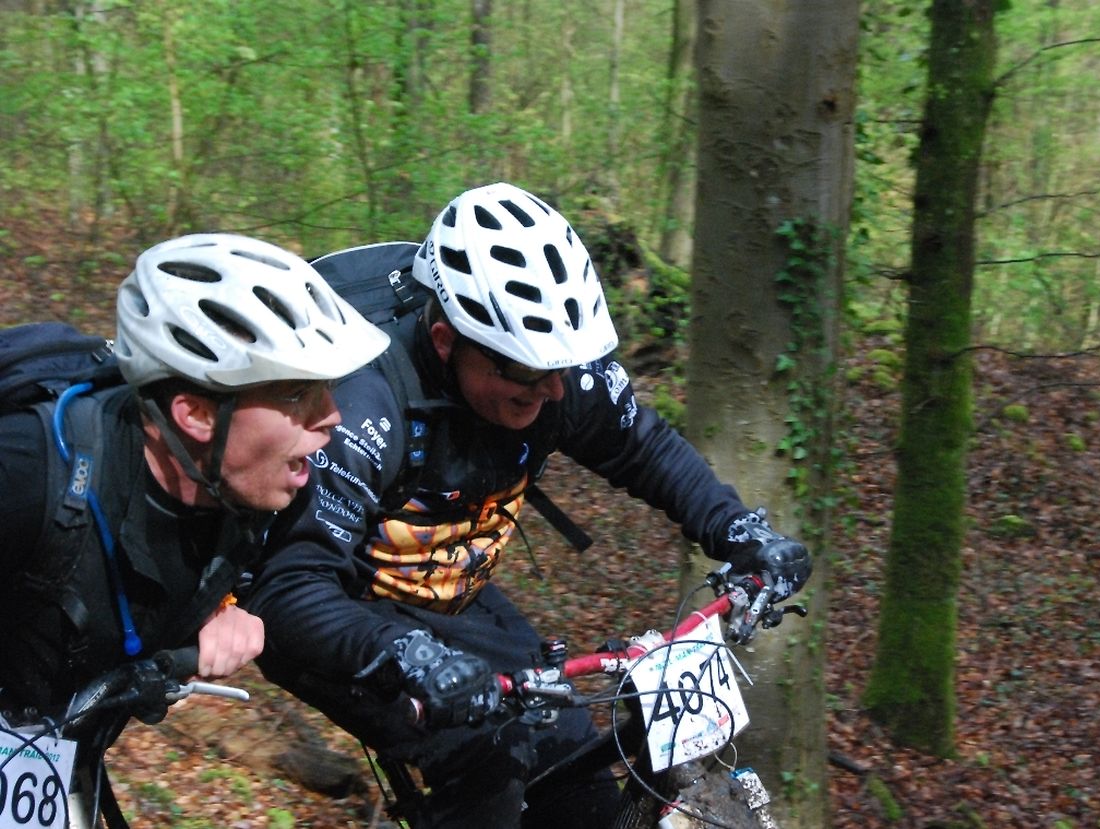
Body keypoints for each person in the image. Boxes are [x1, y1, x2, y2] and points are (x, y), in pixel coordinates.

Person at [244, 182, 812, 828]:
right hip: (333, 606)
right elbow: (288, 589)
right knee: (487, 756)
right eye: (524, 374)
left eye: (559, 370)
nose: (553, 391)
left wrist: (739, 530)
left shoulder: (557, 372)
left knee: (572, 763)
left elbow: (642, 447)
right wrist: (408, 653)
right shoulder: (360, 403)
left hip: (449, 589)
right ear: (444, 341)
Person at [0, 234, 390, 800]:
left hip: (51, 762)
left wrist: (220, 607)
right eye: (297, 394)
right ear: (197, 414)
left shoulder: (267, 492)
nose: (331, 416)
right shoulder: (30, 473)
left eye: (327, 390)